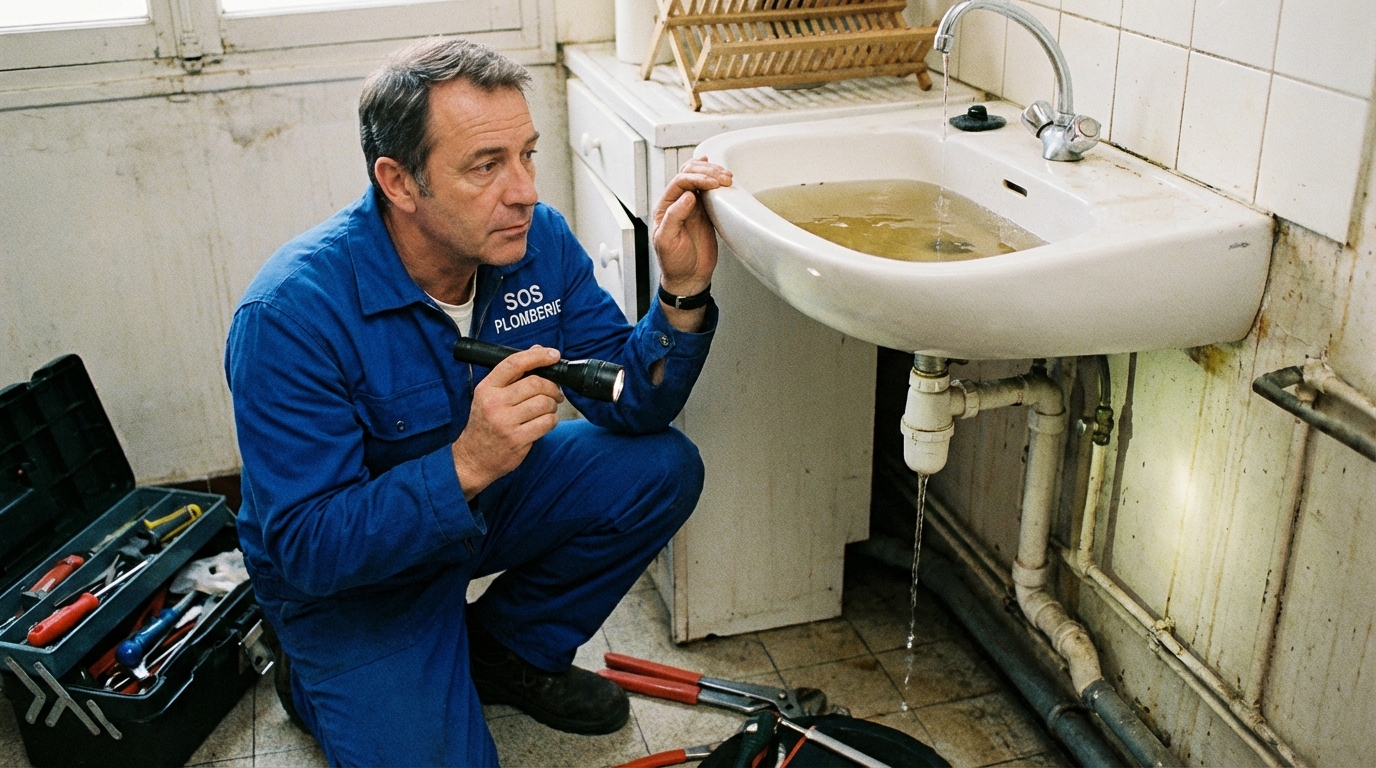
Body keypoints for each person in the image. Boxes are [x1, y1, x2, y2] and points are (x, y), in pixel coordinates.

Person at [224, 36, 732, 766]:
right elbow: (306, 548)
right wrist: (464, 464)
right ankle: (319, 677)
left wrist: (681, 294)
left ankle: (504, 651)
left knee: (660, 466)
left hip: (477, 511)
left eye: (526, 154)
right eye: (485, 167)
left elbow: (633, 405)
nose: (524, 189)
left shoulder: (538, 244)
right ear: (399, 182)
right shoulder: (289, 318)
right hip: (353, 583)